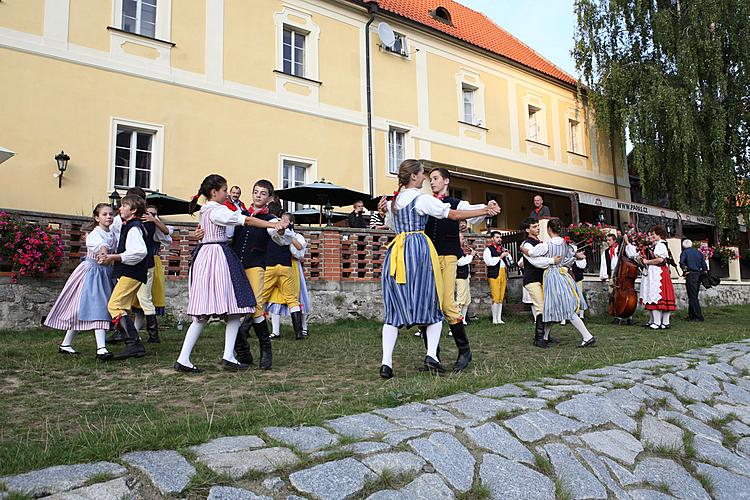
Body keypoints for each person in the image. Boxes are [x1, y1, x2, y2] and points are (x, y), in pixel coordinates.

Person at [377, 159, 498, 379]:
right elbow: (451, 214)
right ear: (414, 176)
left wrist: (483, 209)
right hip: (421, 254)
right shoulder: (422, 199)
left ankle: (388, 362)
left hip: (399, 254)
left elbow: (393, 226)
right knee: (432, 305)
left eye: (432, 177)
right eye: (424, 174)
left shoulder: (395, 202)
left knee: (398, 310)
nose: (425, 179)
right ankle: (432, 355)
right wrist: (485, 210)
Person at [174, 174, 285, 373]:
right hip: (215, 257)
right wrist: (272, 224)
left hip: (212, 254)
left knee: (233, 309)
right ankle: (187, 358)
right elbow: (246, 221)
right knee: (207, 313)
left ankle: (226, 355)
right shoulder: (216, 210)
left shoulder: (209, 210)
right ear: (214, 192)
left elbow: (226, 231)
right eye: (225, 190)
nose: (227, 194)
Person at [422, 167, 494, 372]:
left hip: (448, 256)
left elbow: (471, 208)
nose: (432, 182)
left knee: (447, 304)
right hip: (429, 257)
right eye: (431, 179)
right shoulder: (428, 202)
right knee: (429, 304)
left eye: (436, 178)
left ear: (446, 181)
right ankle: (432, 357)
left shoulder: (455, 203)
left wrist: (487, 206)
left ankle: (465, 351)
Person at [45, 204, 118, 360]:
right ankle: (101, 349)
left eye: (111, 214)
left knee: (81, 310)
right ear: (97, 218)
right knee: (99, 307)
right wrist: (103, 254)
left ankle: (66, 344)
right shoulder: (94, 235)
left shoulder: (112, 233)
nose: (109, 217)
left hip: (105, 273)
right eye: (104, 214)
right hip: (92, 273)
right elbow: (101, 247)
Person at [525, 218, 597, 348]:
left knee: (565, 308)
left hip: (552, 276)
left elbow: (532, 253)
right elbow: (568, 260)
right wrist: (575, 255)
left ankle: (587, 336)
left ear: (548, 230)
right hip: (563, 275)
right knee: (551, 307)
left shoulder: (546, 245)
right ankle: (545, 336)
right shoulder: (566, 244)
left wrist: (523, 249)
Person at [231, 180, 278, 369]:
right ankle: (242, 352)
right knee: (233, 308)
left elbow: (279, 235)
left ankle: (266, 349)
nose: (258, 196)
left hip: (256, 265)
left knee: (257, 306)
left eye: (263, 193)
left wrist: (281, 229)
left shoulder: (271, 219)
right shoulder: (241, 214)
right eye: (256, 192)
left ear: (270, 198)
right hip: (236, 264)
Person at [99, 195, 149, 360]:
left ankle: (134, 344)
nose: (120, 209)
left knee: (114, 305)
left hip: (131, 272)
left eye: (124, 206)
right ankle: (133, 344)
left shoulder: (134, 227)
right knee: (123, 306)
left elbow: (139, 252)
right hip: (132, 273)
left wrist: (113, 257)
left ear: (133, 210)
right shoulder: (130, 226)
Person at [259, 204, 306, 341]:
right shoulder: (290, 233)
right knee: (291, 299)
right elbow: (298, 249)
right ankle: (298, 332)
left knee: (262, 298)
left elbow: (299, 249)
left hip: (272, 266)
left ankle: (246, 329)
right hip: (285, 266)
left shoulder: (273, 229)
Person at [130, 204, 171, 344]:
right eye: (148, 213)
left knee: (145, 299)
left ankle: (152, 335)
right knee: (137, 301)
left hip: (150, 263)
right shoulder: (136, 224)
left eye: (154, 213)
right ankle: (131, 333)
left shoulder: (155, 226)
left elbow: (167, 234)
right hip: (135, 263)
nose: (150, 215)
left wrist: (155, 221)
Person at [519, 218, 561, 348]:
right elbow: (535, 262)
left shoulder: (539, 242)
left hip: (542, 278)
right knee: (541, 307)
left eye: (538, 226)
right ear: (528, 230)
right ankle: (538, 338)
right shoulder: (526, 244)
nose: (538, 228)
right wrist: (552, 261)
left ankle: (545, 336)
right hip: (531, 280)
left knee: (549, 307)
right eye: (534, 226)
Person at [267, 212, 311, 338]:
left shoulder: (297, 235)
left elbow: (300, 250)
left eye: (285, 220)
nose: (282, 222)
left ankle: (303, 328)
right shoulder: (276, 233)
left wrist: (290, 236)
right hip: (278, 265)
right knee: (276, 297)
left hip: (293, 266)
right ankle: (276, 331)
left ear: (291, 222)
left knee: (297, 297)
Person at [639, 225, 677, 329]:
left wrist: (647, 261)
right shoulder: (655, 245)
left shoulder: (660, 245)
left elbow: (661, 260)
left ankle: (658, 322)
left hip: (658, 272)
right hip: (654, 272)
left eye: (653, 234)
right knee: (654, 294)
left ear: (659, 235)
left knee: (656, 294)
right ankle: (661, 322)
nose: (650, 236)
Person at [599, 233, 639, 325]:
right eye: (607, 240)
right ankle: (617, 315)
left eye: (609, 240)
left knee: (626, 295)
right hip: (613, 274)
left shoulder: (623, 249)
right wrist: (604, 275)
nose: (608, 242)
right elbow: (604, 264)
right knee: (613, 295)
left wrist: (627, 242)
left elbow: (633, 254)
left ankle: (629, 316)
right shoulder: (606, 252)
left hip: (623, 274)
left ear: (614, 241)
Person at [483, 231, 511, 325]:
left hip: (503, 272)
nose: (499, 239)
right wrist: (500, 257)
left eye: (500, 237)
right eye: (497, 237)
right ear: (492, 239)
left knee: (501, 296)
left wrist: (507, 255)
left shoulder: (502, 249)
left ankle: (499, 318)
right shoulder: (488, 249)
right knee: (496, 296)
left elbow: (509, 262)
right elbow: (489, 262)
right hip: (494, 273)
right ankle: (494, 319)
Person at [680, 239, 707, 322]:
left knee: (692, 296)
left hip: (691, 274)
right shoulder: (699, 252)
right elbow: (704, 265)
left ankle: (698, 316)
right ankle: (691, 315)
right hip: (699, 274)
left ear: (683, 246)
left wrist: (685, 271)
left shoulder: (685, 253)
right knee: (694, 294)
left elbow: (682, 263)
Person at [455, 234, 475, 326]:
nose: (464, 240)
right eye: (462, 238)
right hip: (460, 277)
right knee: (461, 299)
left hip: (465, 276)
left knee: (467, 300)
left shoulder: (461, 250)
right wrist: (471, 256)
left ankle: (462, 319)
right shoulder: (456, 249)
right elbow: (460, 262)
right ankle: (457, 320)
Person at [571, 250, 588, 319]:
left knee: (579, 296)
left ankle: (581, 315)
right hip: (569, 280)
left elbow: (582, 266)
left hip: (577, 280)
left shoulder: (582, 261)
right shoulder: (570, 258)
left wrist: (579, 257)